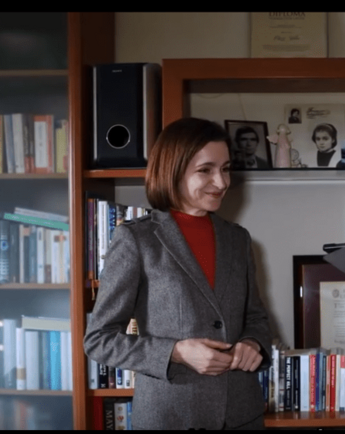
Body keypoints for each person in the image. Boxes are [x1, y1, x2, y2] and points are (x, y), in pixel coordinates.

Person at [83, 117, 273, 430]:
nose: (222, 182)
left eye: (225, 168)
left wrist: (253, 344)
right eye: (205, 170)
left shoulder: (238, 238)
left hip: (242, 415)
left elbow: (256, 318)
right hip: (170, 416)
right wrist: (176, 353)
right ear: (173, 171)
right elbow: (99, 340)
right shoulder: (137, 239)